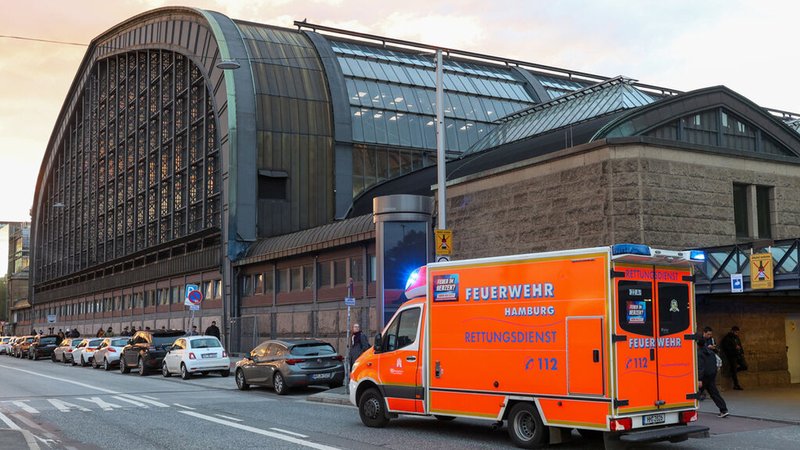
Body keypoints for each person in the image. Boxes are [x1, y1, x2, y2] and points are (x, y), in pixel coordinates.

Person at [698, 331, 729, 418]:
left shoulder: (699, 353)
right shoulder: (710, 351)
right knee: (714, 393)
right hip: (711, 375)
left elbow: (700, 367)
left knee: (696, 393)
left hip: (704, 377)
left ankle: (688, 410)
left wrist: (699, 379)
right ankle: (724, 409)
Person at [721, 326, 747, 390]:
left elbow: (739, 345)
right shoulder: (727, 338)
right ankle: (736, 385)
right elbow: (726, 348)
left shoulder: (736, 337)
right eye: (735, 332)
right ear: (732, 331)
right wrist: (734, 348)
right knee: (734, 371)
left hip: (738, 355)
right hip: (732, 356)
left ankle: (732, 371)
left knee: (744, 366)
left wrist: (741, 352)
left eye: (737, 332)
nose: (736, 333)